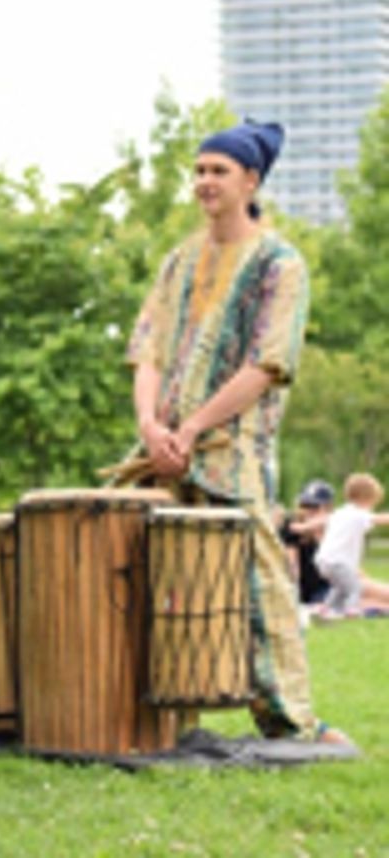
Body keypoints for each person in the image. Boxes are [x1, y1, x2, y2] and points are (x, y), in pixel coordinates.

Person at [124, 119, 347, 744]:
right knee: (148, 579)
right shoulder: (178, 262)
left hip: (232, 453)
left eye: (218, 170)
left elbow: (267, 365)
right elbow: (148, 351)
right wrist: (150, 426)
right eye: (198, 170)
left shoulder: (282, 264)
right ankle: (156, 715)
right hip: (161, 454)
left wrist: (191, 427)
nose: (204, 182)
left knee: (258, 585)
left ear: (251, 180)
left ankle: (289, 722)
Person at [313, 473, 389, 619]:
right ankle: (351, 609)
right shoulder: (358, 514)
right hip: (338, 562)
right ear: (366, 499)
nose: (372, 507)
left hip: (323, 560)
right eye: (373, 503)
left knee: (340, 588)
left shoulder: (341, 512)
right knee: (355, 587)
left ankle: (325, 609)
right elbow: (381, 519)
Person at [280, 479, 334, 606]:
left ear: (328, 507)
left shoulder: (333, 528)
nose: (308, 510)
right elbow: (293, 567)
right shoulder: (293, 528)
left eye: (314, 506)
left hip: (332, 586)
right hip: (311, 592)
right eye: (304, 505)